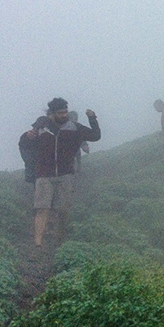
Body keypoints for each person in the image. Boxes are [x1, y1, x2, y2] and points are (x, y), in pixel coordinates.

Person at [25, 97, 101, 246]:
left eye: (65, 112)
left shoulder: (74, 127)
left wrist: (92, 119)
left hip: (65, 174)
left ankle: (59, 240)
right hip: (44, 175)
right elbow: (25, 144)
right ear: (52, 114)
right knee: (42, 208)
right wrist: (27, 137)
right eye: (61, 113)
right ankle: (38, 243)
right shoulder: (40, 127)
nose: (64, 115)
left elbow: (96, 136)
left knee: (63, 210)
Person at [18, 116, 51, 184]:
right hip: (39, 174)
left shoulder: (26, 137)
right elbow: (28, 159)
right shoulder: (27, 138)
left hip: (37, 174)